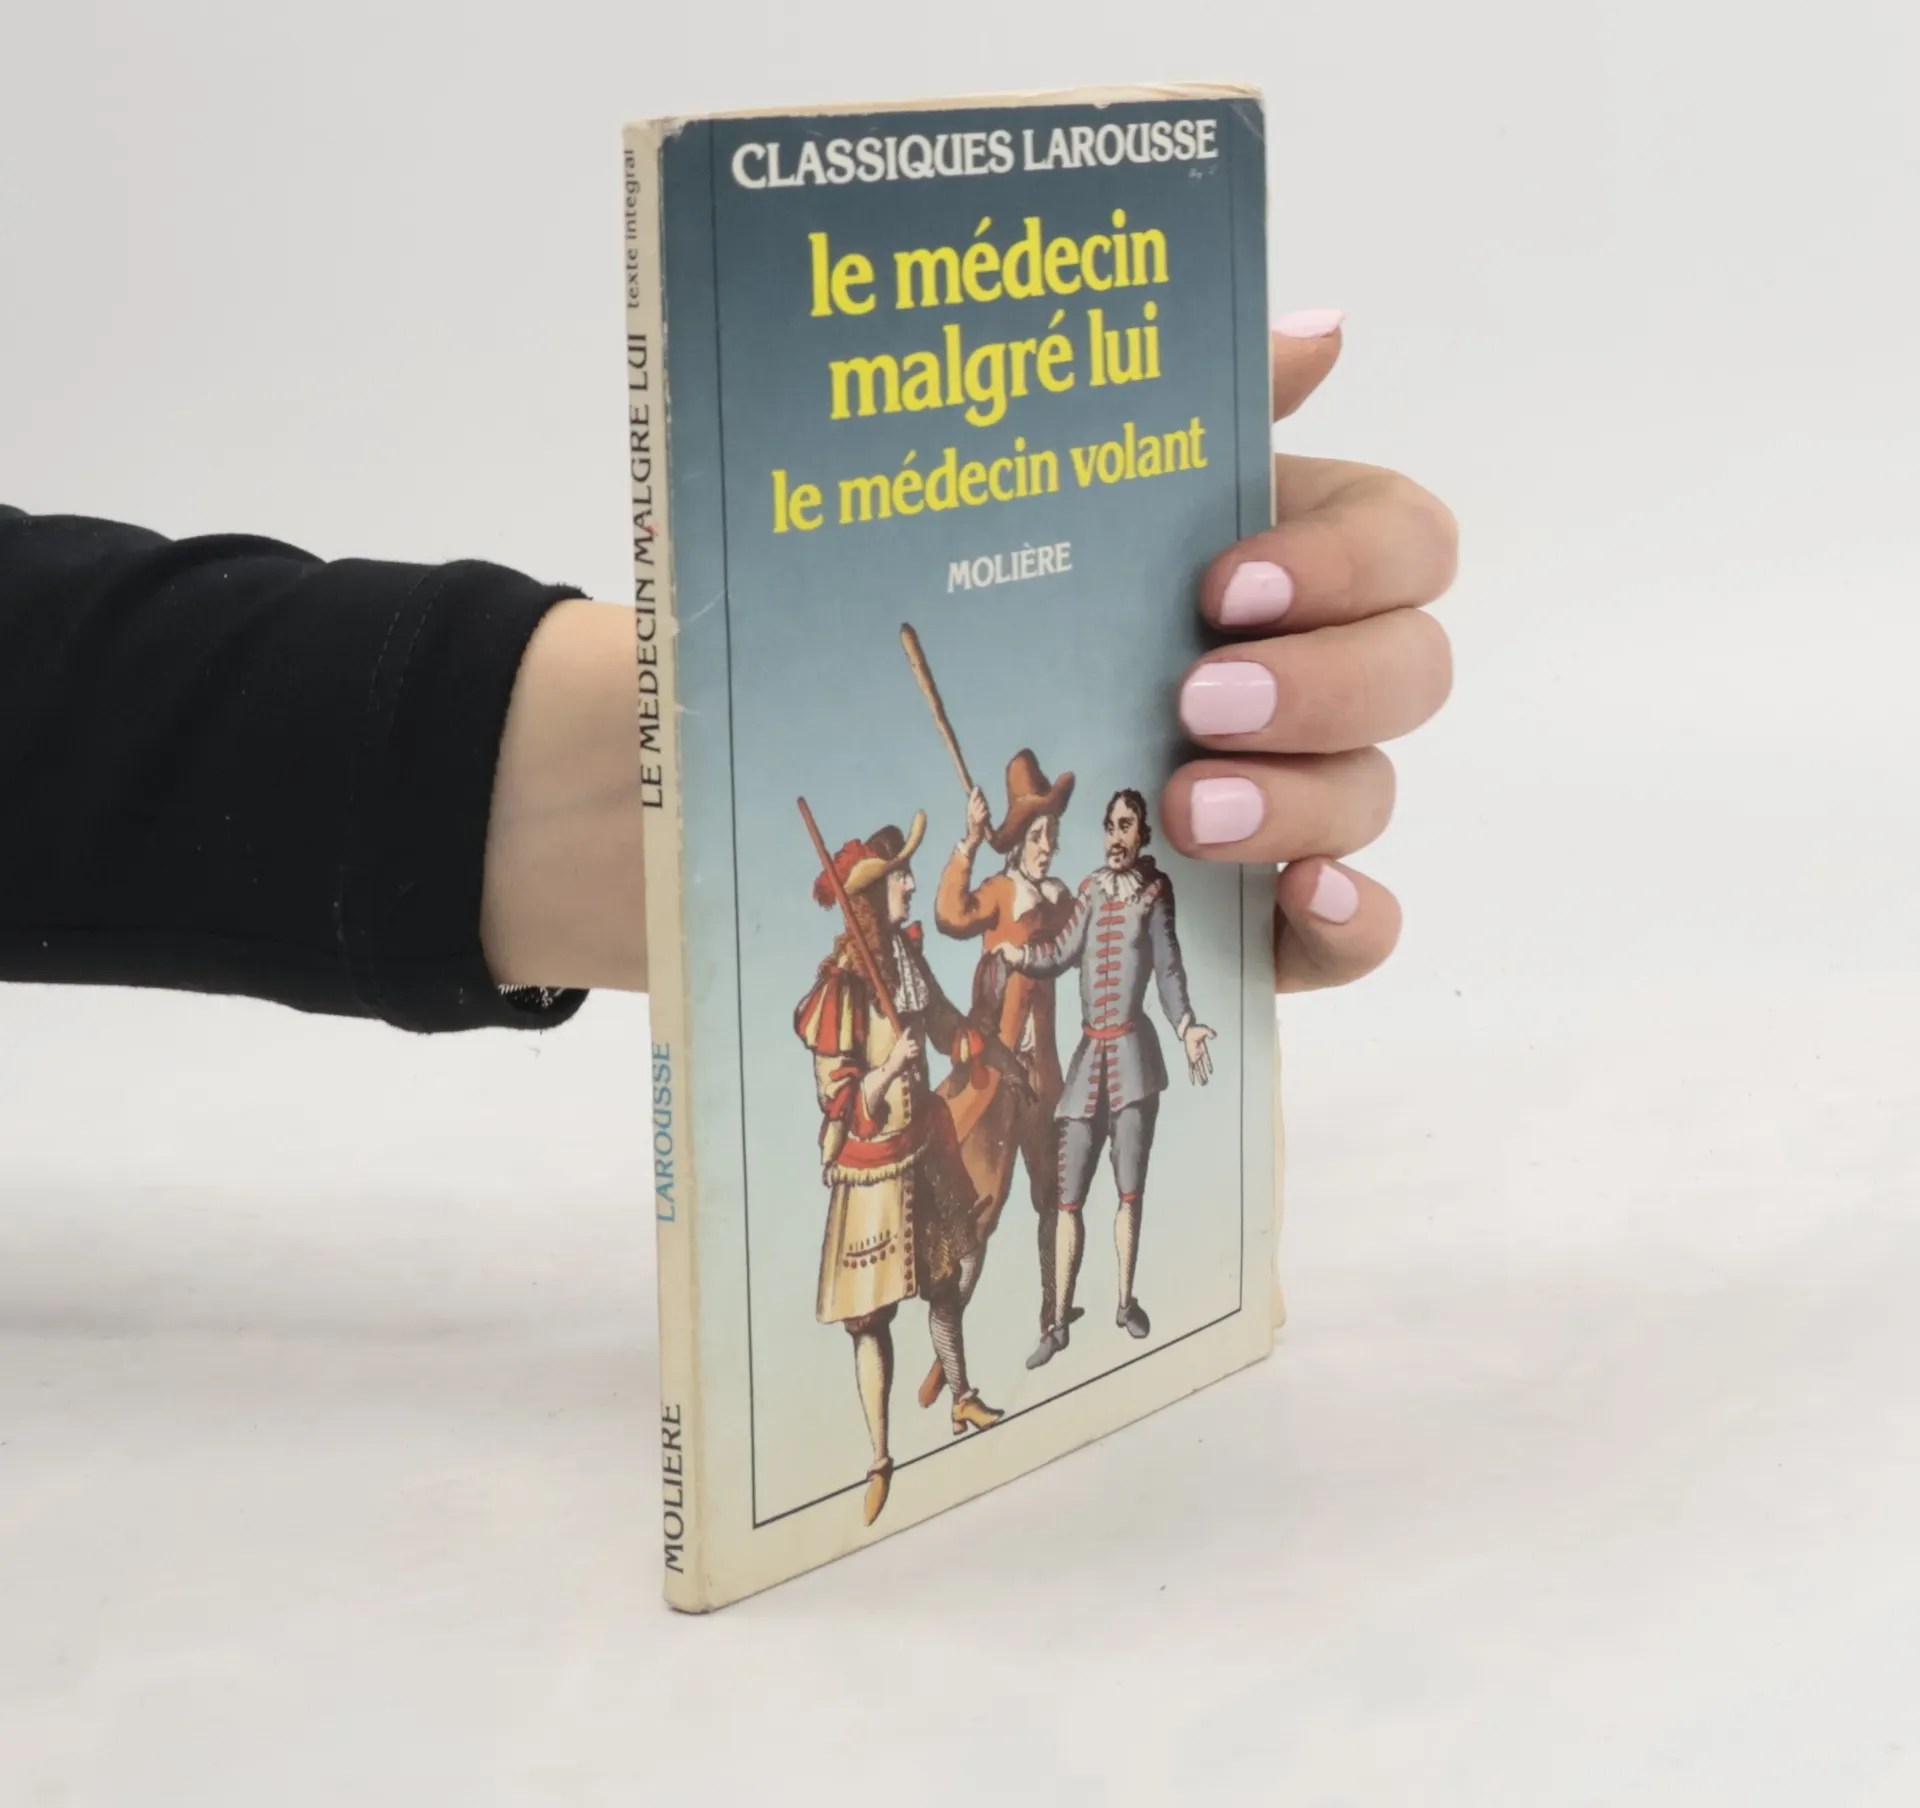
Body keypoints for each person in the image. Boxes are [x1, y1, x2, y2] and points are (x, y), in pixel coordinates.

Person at [0, 321, 1455, 1027]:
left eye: (1046, 822)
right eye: (1038, 821)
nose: (1045, 835)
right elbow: (956, 915)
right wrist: (957, 866)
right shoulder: (975, 882)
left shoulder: (1078, 888)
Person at [791, 817, 1028, 1524]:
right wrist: (889, 1068)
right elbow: (836, 1096)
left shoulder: (906, 959)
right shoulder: (839, 989)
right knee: (871, 1323)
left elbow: (948, 1022)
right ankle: (879, 1458)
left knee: (947, 1281)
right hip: (871, 1173)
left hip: (923, 1152)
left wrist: (985, 1050)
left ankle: (960, 1396)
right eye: (901, 878)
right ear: (870, 898)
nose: (913, 886)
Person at [1006, 789, 1213, 1363]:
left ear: (1143, 834)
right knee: (1067, 1198)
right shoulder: (1091, 891)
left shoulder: (1155, 892)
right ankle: (1057, 1324)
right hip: (1086, 1064)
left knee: (1128, 1192)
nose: (1115, 837)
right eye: (1109, 826)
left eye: (1126, 826)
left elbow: (1168, 969)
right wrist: (1022, 957)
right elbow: (1061, 950)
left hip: (1134, 1063)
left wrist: (1186, 1026)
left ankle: (1124, 1302)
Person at [927, 753, 1078, 1398]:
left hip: (1041, 1077)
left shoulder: (1062, 899)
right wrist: (968, 840)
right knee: (980, 1214)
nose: (1046, 846)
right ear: (1016, 841)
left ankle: (1052, 1313)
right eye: (1037, 835)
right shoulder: (996, 892)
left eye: (1052, 834)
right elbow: (948, 915)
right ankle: (946, 1340)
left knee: (1053, 1195)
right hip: (994, 1072)